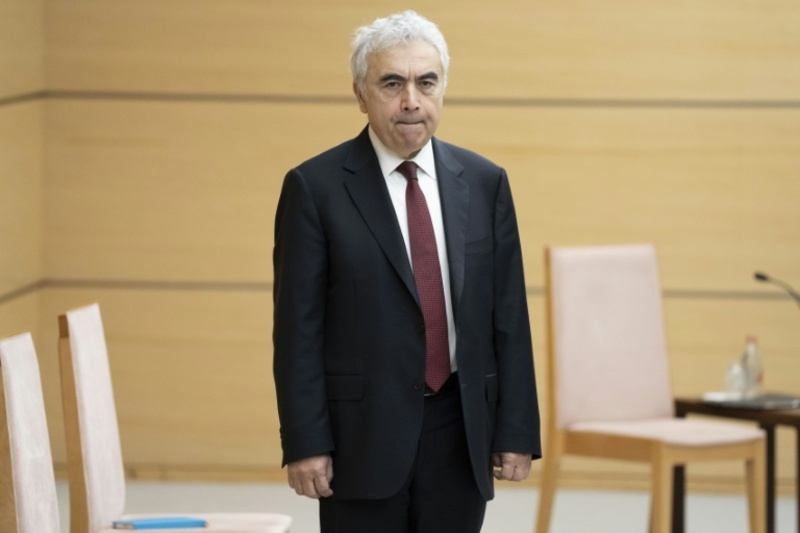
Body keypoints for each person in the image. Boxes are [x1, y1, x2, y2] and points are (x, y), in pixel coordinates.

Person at [273, 10, 541, 533]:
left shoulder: (485, 182)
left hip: (460, 430)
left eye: (426, 82)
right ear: (361, 94)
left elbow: (509, 317)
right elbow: (297, 330)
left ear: (443, 89)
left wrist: (516, 429)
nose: (411, 101)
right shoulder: (314, 188)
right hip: (360, 437)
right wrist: (306, 441)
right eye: (392, 83)